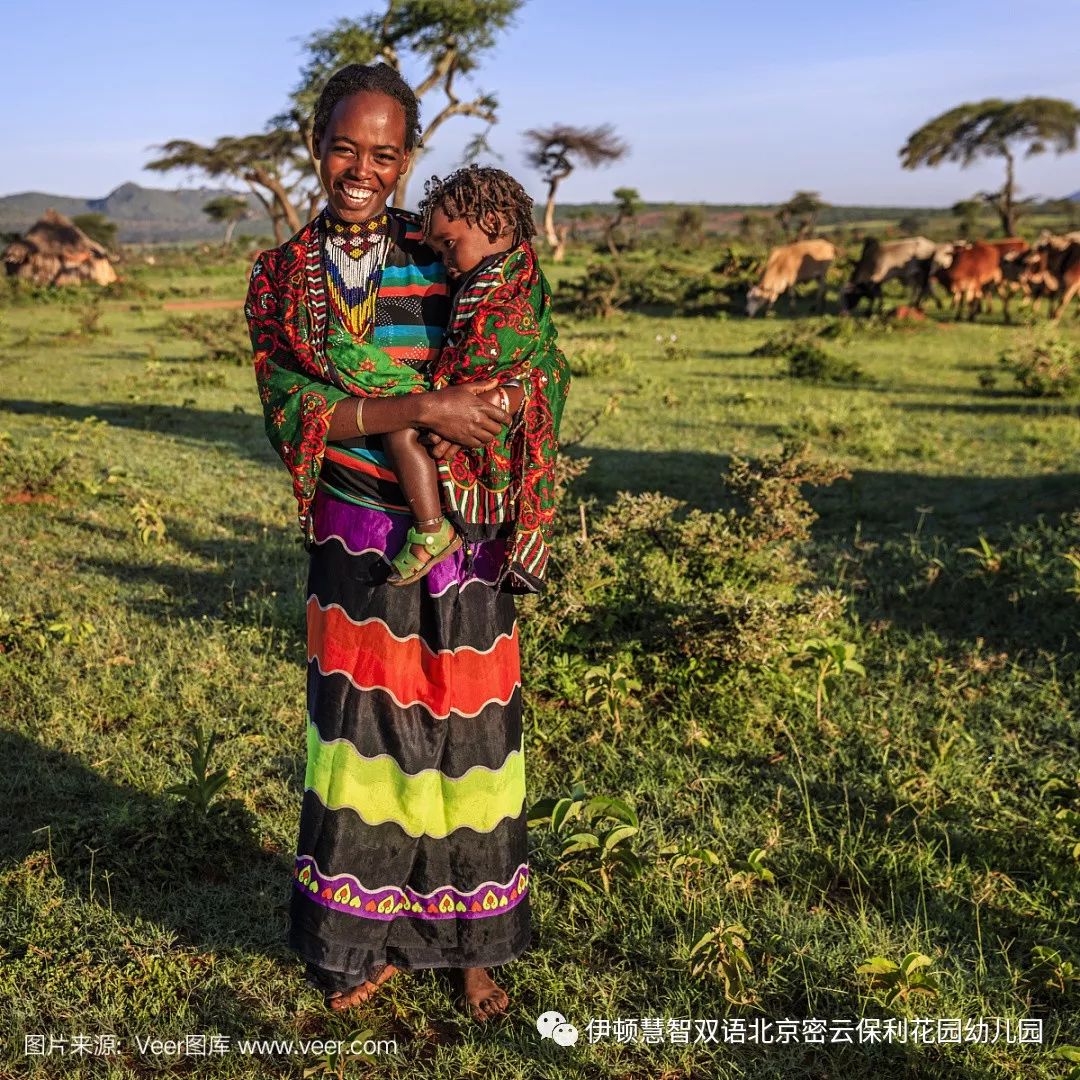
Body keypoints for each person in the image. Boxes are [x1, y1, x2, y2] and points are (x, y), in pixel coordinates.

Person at [245, 62, 546, 1022]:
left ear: (408, 157)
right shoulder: (282, 278)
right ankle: (355, 943)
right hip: (355, 533)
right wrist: (425, 405)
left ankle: (470, 951)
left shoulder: (450, 251)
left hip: (463, 537)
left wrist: (494, 412)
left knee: (469, 736)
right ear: (315, 145)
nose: (361, 168)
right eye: (344, 147)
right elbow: (296, 411)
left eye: (384, 151)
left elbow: (523, 352)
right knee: (360, 741)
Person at [378, 164, 570, 592]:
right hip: (482, 406)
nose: (445, 263)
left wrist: (453, 406)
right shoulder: (495, 276)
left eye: (449, 246)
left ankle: (431, 529)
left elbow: (500, 347)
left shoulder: (504, 288)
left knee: (400, 431)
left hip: (482, 408)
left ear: (494, 225)